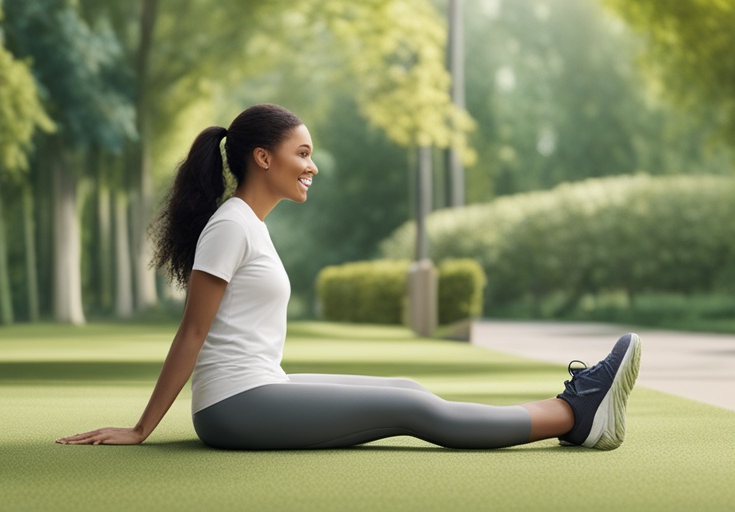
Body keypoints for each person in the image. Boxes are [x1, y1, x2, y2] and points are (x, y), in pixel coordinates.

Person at [56, 103, 642, 451]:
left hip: (261, 388)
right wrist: (141, 429)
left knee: (406, 390)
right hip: (234, 407)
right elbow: (192, 334)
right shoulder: (231, 226)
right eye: (303, 152)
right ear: (263, 157)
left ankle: (570, 411)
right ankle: (573, 413)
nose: (312, 166)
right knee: (417, 413)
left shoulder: (246, 224)